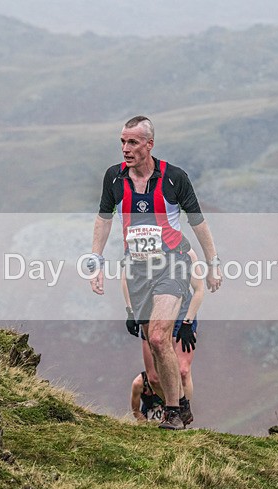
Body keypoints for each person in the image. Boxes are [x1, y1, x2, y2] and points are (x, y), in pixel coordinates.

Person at [90, 115, 221, 431]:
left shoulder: (174, 178)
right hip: (137, 272)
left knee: (161, 336)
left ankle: (173, 412)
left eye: (132, 142)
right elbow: (103, 220)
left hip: (172, 267)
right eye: (122, 141)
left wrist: (212, 262)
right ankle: (182, 405)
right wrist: (95, 261)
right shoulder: (114, 179)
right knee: (153, 343)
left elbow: (198, 223)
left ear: (149, 144)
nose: (125, 148)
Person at [123, 248, 204, 425]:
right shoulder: (142, 247)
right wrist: (130, 311)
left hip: (182, 315)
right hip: (152, 313)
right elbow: (127, 278)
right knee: (153, 378)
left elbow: (199, 289)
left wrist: (188, 322)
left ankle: (181, 415)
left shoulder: (185, 251)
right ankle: (172, 407)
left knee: (182, 371)